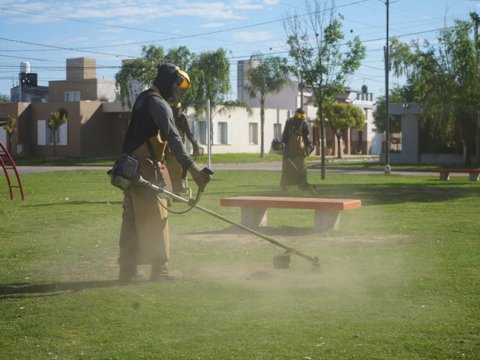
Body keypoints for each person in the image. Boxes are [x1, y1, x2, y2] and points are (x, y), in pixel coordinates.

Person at [118, 63, 211, 283]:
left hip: (129, 168)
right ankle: (160, 271)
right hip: (145, 169)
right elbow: (174, 138)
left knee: (132, 220)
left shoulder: (143, 98)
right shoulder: (158, 104)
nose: (178, 91)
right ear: (168, 81)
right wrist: (194, 169)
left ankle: (127, 270)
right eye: (177, 85)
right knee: (156, 219)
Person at [165, 102, 201, 195]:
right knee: (171, 168)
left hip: (180, 145)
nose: (176, 112)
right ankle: (173, 190)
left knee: (184, 165)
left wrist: (195, 144)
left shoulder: (182, 118)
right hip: (168, 146)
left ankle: (180, 184)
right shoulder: (168, 117)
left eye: (178, 110)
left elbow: (188, 133)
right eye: (175, 110)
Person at [280, 108, 315, 193]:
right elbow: (285, 135)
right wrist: (283, 143)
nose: (301, 117)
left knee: (301, 167)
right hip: (290, 148)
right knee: (288, 167)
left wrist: (309, 145)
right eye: (299, 115)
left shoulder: (304, 124)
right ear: (296, 114)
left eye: (303, 116)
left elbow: (306, 137)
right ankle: (285, 185)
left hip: (300, 149)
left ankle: (302, 184)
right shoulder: (289, 122)